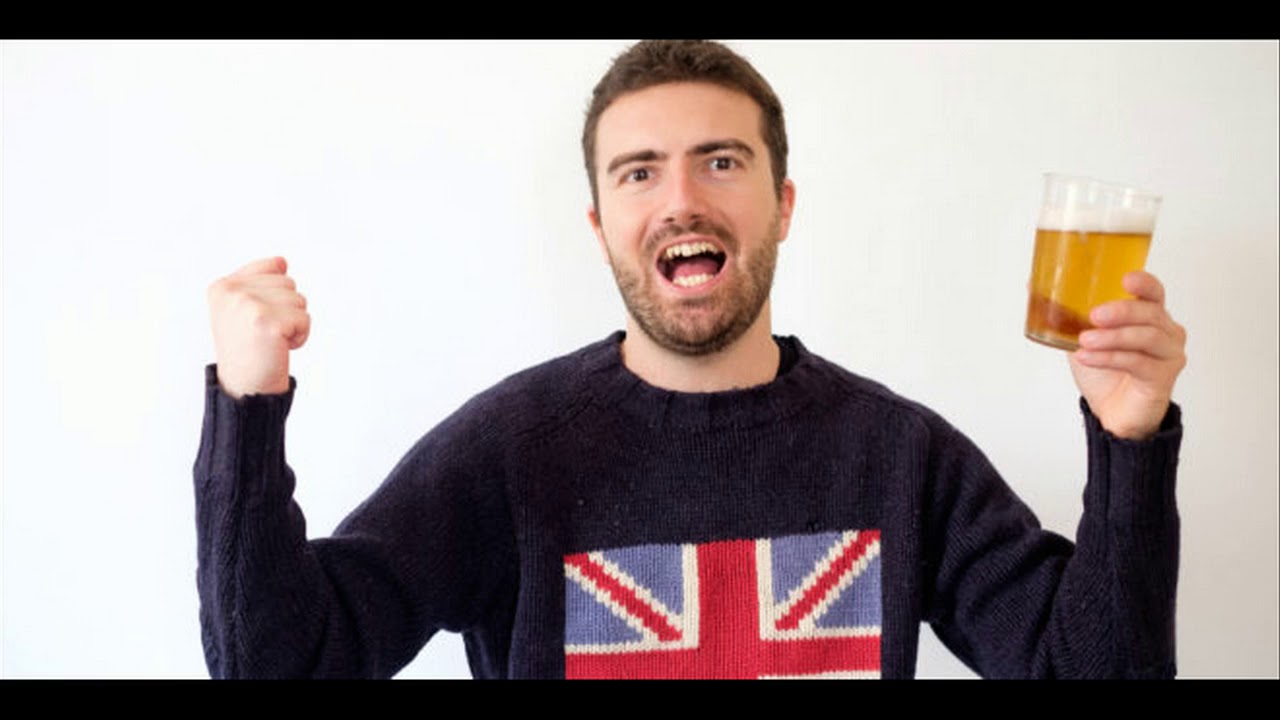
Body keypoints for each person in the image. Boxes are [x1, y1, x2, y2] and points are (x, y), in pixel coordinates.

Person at [196, 40, 1187, 679]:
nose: (681, 201)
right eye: (640, 172)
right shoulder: (506, 452)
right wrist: (248, 407)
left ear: (782, 205)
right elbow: (281, 664)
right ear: (600, 226)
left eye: (720, 161)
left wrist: (1128, 441)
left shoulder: (900, 455)